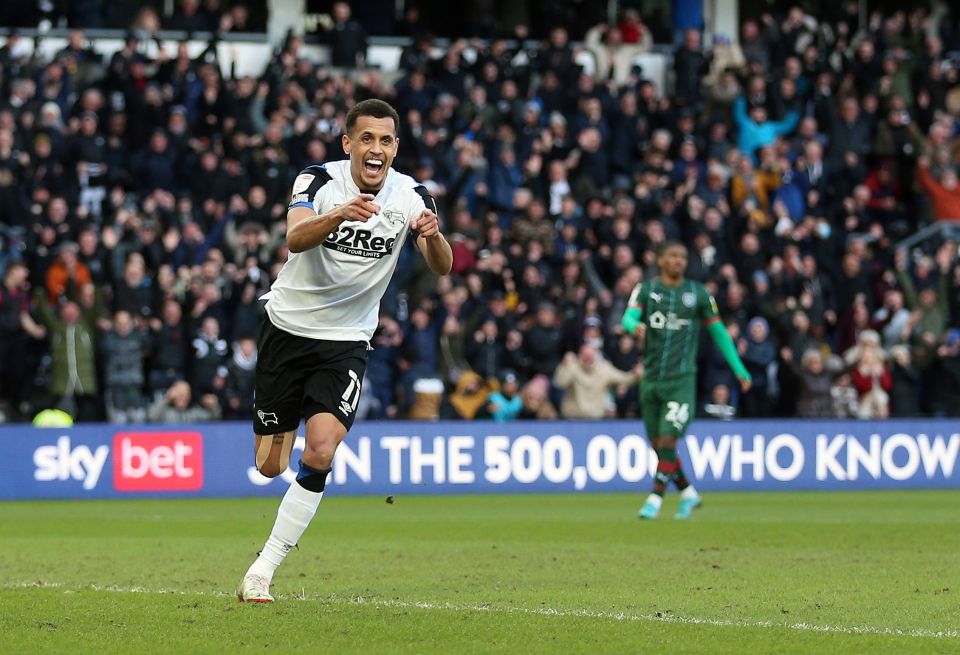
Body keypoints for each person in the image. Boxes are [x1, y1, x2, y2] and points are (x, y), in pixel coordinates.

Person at [237, 99, 452, 603]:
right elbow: (294, 237)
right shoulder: (317, 180)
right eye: (367, 139)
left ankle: (262, 571)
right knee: (270, 465)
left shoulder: (414, 196)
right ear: (348, 144)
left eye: (386, 141)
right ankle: (276, 440)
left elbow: (442, 266)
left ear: (396, 148)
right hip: (287, 329)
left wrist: (435, 236)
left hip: (347, 340)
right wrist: (338, 215)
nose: (376, 149)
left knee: (321, 450)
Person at [620, 241, 751, 520]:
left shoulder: (698, 294)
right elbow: (628, 318)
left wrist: (739, 369)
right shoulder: (646, 290)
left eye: (683, 256)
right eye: (673, 256)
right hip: (651, 380)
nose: (679, 261)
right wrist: (635, 327)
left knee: (668, 439)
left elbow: (719, 333)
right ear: (660, 260)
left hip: (681, 381)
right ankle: (689, 494)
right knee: (659, 446)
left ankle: (654, 499)